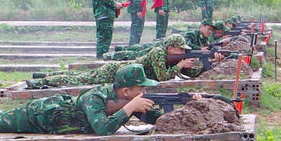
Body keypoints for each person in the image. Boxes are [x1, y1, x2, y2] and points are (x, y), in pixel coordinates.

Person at [0, 64, 160, 136]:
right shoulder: (97, 97)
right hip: (40, 116)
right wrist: (129, 109)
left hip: (49, 115)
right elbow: (103, 130)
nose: (144, 93)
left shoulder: (121, 98)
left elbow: (159, 117)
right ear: (126, 91)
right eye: (141, 88)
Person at [25, 35, 203, 89]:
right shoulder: (158, 53)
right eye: (180, 49)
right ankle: (40, 82)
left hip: (120, 73)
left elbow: (187, 74)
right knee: (77, 80)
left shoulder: (167, 57)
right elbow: (164, 77)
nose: (182, 52)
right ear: (170, 47)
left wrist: (198, 66)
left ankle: (46, 75)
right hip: (115, 71)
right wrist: (180, 65)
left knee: (80, 76)